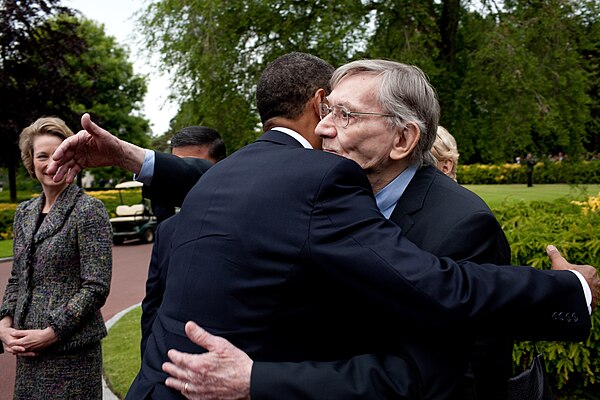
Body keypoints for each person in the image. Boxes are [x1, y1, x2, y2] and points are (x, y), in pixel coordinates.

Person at [47, 54, 598, 399]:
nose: (326, 130)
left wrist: (255, 380)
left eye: (347, 116)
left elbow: (436, 377)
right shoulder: (315, 184)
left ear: (404, 139)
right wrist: (132, 158)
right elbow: (234, 183)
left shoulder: (461, 224)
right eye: (327, 110)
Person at [0, 117, 112, 399]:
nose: (51, 162)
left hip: (70, 355)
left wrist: (50, 333)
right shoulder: (24, 213)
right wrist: (4, 324)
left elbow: (95, 286)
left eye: (58, 152)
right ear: (30, 161)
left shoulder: (88, 210)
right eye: (42, 155)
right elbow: (18, 277)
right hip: (28, 354)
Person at [144, 126, 225, 223]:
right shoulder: (163, 199)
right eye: (177, 165)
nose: (183, 172)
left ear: (221, 164)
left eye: (194, 164)